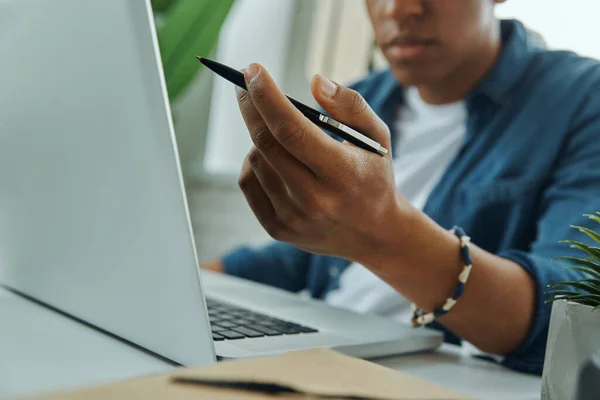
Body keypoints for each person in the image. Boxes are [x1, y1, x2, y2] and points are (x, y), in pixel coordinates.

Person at [202, 0, 600, 374]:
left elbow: (572, 313)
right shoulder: (365, 98)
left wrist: (383, 233)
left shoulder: (582, 99)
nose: (398, 8)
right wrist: (189, 284)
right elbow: (303, 259)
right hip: (328, 356)